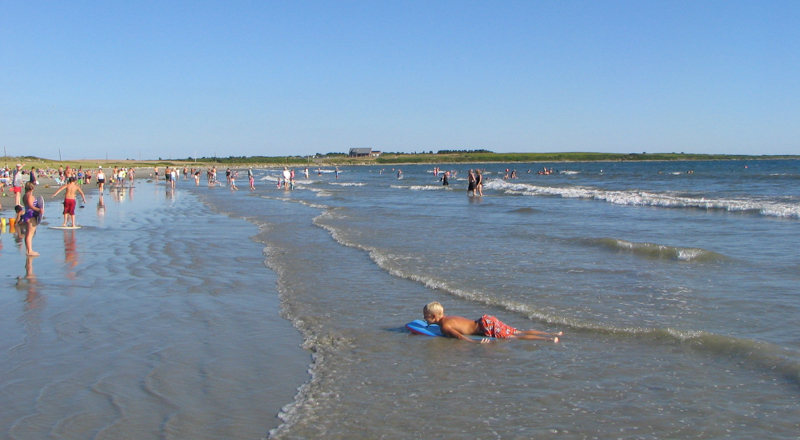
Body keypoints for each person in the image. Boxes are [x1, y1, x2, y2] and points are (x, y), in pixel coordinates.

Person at [421, 301, 561, 344]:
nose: (424, 318)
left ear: (434, 316)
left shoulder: (445, 326)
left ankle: (548, 339)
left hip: (485, 327)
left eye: (426, 316)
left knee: (512, 337)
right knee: (517, 331)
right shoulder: (448, 318)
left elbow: (460, 336)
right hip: (485, 319)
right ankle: (551, 333)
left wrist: (476, 343)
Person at [20, 182, 43, 257]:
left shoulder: (25, 195)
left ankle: (29, 250)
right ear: (32, 188)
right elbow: (30, 206)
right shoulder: (29, 196)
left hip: (27, 214)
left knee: (28, 234)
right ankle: (29, 251)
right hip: (31, 215)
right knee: (30, 234)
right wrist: (39, 210)